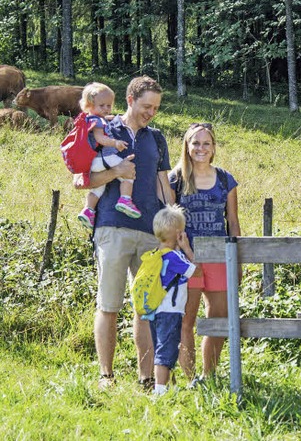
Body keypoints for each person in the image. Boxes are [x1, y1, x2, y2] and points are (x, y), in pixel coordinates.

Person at [74, 75, 173, 389]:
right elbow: (82, 180)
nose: (151, 112)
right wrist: (115, 172)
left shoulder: (156, 138)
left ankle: (145, 378)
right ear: (130, 100)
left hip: (149, 232)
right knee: (109, 305)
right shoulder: (102, 129)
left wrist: (173, 227)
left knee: (145, 308)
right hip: (112, 228)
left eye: (156, 107)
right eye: (146, 106)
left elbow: (164, 185)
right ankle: (106, 375)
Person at [169, 122, 241, 381]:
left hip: (219, 256)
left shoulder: (225, 179)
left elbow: (232, 221)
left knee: (219, 318)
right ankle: (190, 380)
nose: (201, 148)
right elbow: (168, 221)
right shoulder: (175, 179)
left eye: (206, 143)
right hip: (187, 259)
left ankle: (209, 375)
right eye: (195, 143)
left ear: (213, 148)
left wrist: (237, 261)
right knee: (186, 320)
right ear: (187, 147)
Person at [148, 205, 197, 397]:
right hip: (171, 310)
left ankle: (169, 386)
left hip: (155, 308)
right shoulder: (175, 257)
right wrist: (187, 248)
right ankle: (160, 391)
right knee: (166, 351)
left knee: (165, 347)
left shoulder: (154, 255)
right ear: (179, 234)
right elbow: (196, 270)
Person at [77, 82, 141, 230]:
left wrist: (110, 117)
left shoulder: (91, 119)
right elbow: (100, 138)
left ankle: (88, 210)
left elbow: (102, 121)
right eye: (102, 106)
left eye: (109, 105)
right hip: (105, 157)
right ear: (90, 104)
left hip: (94, 162)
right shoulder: (97, 121)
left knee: (97, 189)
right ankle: (125, 200)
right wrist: (115, 143)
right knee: (128, 172)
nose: (106, 109)